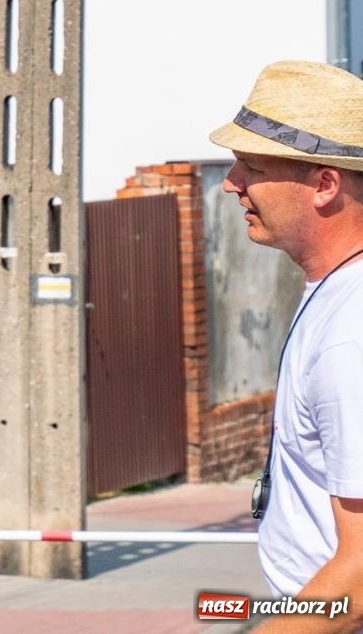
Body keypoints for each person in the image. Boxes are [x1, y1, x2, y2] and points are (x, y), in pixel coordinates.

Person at [211, 60, 363, 617]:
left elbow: (360, 576)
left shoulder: (352, 335)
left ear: (325, 184)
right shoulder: (337, 292)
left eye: (250, 166)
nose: (231, 183)